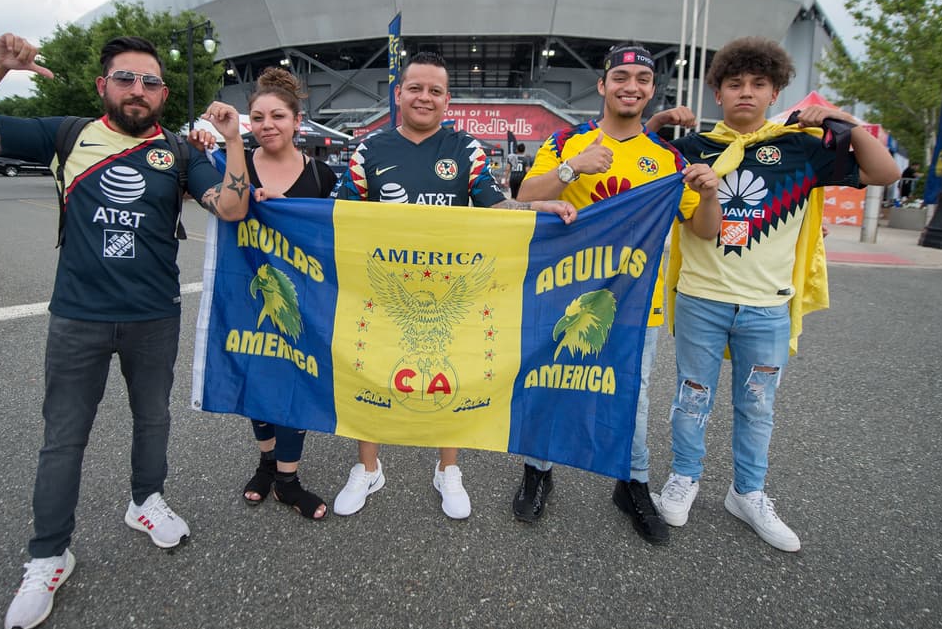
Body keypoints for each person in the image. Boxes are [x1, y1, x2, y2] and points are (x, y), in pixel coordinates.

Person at [0, 33, 251, 629]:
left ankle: (145, 501)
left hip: (155, 315)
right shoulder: (67, 134)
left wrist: (234, 140)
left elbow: (232, 208)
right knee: (64, 438)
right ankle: (48, 555)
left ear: (162, 93)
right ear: (103, 85)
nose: (139, 90)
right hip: (77, 315)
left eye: (151, 82)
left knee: (153, 418)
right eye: (127, 79)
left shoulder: (182, 153)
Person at [659, 36, 900, 552]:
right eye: (734, 84)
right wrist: (677, 151)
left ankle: (747, 492)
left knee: (757, 406)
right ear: (717, 93)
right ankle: (684, 477)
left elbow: (885, 172)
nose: (745, 92)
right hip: (701, 297)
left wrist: (846, 124)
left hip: (768, 305)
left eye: (758, 84)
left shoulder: (803, 149)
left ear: (774, 92)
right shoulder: (692, 149)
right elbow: (696, 228)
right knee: (691, 397)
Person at [332, 52, 576, 520]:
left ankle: (448, 469)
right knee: (368, 371)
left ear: (448, 100)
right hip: (383, 287)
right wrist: (277, 206)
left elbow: (494, 205)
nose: (425, 97)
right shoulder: (370, 150)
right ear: (398, 93)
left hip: (450, 289)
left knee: (451, 375)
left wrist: (534, 209)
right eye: (415, 88)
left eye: (435, 90)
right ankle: (368, 467)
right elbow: (337, 215)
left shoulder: (466, 149)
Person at [511, 43, 719, 544]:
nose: (632, 86)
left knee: (632, 393)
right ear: (602, 85)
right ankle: (538, 472)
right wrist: (571, 170)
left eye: (642, 79)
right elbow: (523, 198)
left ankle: (633, 484)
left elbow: (705, 230)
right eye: (621, 76)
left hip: (636, 301)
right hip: (563, 293)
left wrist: (710, 191)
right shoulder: (566, 142)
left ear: (651, 90)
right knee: (552, 380)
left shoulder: (667, 157)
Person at [239, 67, 339, 520]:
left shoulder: (320, 174)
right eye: (257, 117)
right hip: (249, 293)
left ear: (298, 121)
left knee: (296, 379)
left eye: (277, 115)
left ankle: (288, 480)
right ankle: (265, 461)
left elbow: (341, 232)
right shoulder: (235, 165)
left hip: (302, 300)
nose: (267, 125)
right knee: (257, 380)